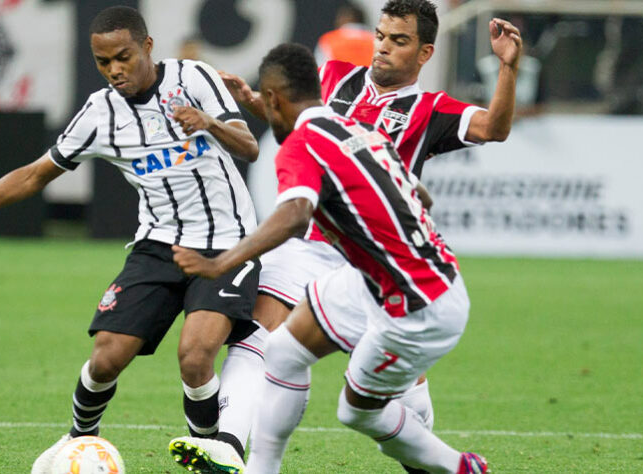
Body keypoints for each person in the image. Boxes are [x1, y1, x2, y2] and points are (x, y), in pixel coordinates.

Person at [0, 6, 267, 474]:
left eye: (123, 57)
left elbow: (249, 145)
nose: (115, 70)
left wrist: (210, 124)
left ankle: (208, 452)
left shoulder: (193, 77)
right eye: (103, 62)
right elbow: (35, 175)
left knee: (196, 354)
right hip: (158, 245)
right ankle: (78, 439)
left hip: (228, 243)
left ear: (147, 47)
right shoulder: (100, 112)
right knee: (106, 358)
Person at [208, 1, 521, 470]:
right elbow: (296, 118)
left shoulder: (429, 109)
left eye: (399, 41)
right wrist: (260, 102)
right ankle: (232, 446)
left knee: (390, 408)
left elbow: (495, 128)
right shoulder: (334, 75)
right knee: (270, 342)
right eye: (381, 35)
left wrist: (508, 66)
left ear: (424, 52)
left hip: (383, 264)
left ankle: (440, 462)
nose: (384, 48)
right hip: (313, 245)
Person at [314, 2, 375, 66]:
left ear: (345, 19)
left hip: (339, 75)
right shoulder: (375, 39)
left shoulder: (329, 40)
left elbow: (320, 66)